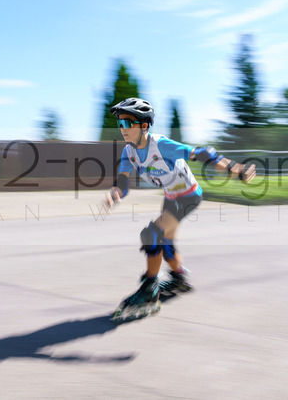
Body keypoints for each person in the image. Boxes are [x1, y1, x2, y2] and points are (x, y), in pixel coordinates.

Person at [105, 98, 256, 321]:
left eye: (127, 123)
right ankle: (179, 278)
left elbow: (203, 153)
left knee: (151, 235)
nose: (122, 128)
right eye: (120, 123)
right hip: (171, 197)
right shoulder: (129, 153)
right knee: (165, 244)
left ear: (144, 125)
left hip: (189, 196)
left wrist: (236, 168)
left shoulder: (160, 145)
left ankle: (149, 289)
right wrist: (116, 192)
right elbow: (123, 182)